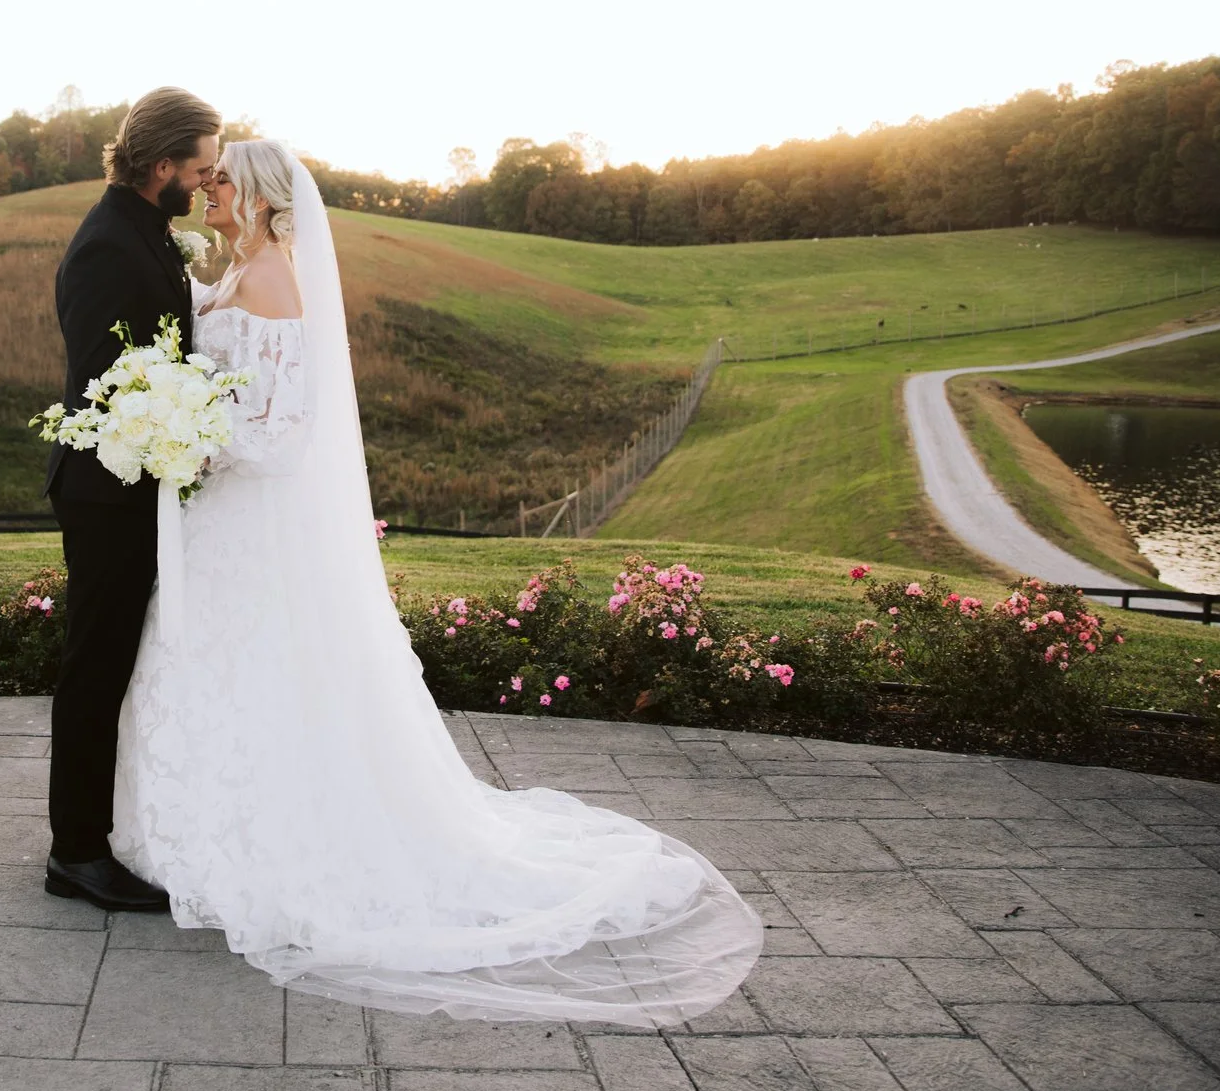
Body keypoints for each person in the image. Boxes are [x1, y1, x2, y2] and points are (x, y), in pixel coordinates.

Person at [104, 138, 762, 1025]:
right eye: (209, 177)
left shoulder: (274, 281)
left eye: (222, 180)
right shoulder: (235, 270)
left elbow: (288, 431)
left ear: (258, 198)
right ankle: (188, 835)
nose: (207, 190)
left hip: (250, 516)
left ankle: (272, 845)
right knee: (212, 669)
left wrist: (196, 442)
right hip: (220, 519)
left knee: (269, 672)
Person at [41, 86, 221, 914]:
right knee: (95, 667)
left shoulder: (147, 230)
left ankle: (100, 832)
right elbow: (99, 381)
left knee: (115, 661)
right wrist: (170, 422)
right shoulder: (107, 245)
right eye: (200, 168)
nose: (206, 181)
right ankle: (76, 851)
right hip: (106, 490)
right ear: (162, 167)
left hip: (141, 483)